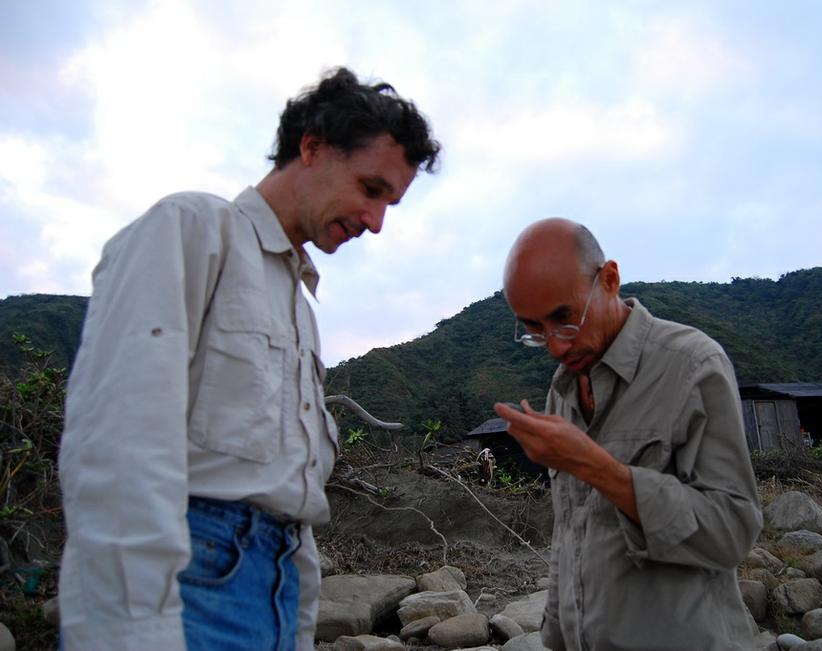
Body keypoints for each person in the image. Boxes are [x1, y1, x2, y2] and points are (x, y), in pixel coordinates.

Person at [58, 67, 440, 651]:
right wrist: (133, 631)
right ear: (311, 146)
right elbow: (118, 439)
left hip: (278, 590)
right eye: (371, 189)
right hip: (191, 584)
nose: (377, 222)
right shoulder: (191, 229)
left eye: (390, 202)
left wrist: (299, 605)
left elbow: (289, 488)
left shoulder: (301, 311)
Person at [494, 218, 762, 651]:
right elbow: (571, 533)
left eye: (565, 318)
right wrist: (556, 635)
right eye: (535, 329)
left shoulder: (692, 366)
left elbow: (732, 531)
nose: (556, 346)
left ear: (610, 279)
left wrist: (599, 469)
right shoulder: (562, 391)